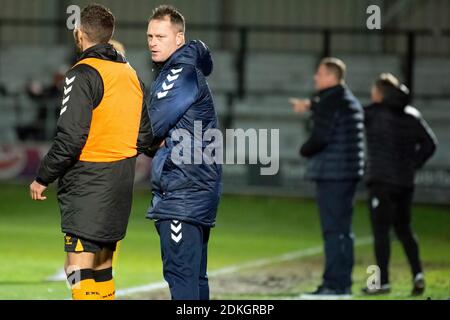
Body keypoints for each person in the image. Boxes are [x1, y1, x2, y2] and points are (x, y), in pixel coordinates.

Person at [29, 4, 153, 299]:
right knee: (103, 268)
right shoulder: (131, 74)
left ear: (79, 33)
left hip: (89, 179)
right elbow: (145, 135)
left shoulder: (82, 73)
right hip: (121, 180)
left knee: (78, 268)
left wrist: (43, 177)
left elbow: (70, 136)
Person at [145, 5, 222, 300]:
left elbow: (148, 130)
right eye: (150, 35)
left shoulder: (179, 73)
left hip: (182, 192)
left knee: (181, 277)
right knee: (194, 277)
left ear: (179, 39)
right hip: (196, 190)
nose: (152, 41)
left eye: (160, 36)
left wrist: (154, 141)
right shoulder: (188, 70)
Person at [291, 57, 364, 298]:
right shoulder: (344, 98)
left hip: (334, 174)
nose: (316, 77)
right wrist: (309, 104)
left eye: (320, 73)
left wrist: (304, 150)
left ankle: (333, 286)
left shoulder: (331, 101)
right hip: (346, 173)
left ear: (331, 76)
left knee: (333, 231)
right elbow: (324, 106)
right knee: (343, 230)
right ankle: (342, 285)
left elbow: (321, 137)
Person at [362, 73, 437, 296]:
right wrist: (412, 165)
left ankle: (382, 282)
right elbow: (430, 144)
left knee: (381, 233)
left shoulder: (374, 113)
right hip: (405, 183)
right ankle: (418, 274)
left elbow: (350, 116)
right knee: (404, 229)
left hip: (382, 183)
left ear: (380, 93)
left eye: (374, 91)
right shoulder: (412, 115)